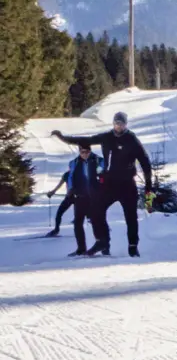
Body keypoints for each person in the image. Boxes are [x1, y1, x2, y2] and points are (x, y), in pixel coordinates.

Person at [52, 110, 153, 257]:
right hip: (110, 184)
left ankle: (132, 246)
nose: (118, 126)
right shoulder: (107, 137)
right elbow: (85, 140)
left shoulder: (131, 139)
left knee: (130, 216)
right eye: (116, 123)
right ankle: (102, 241)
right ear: (113, 124)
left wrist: (148, 186)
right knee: (95, 211)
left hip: (127, 185)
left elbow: (145, 162)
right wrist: (63, 138)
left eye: (121, 124)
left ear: (125, 125)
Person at [43, 144, 104, 255]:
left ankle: (102, 245)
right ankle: (81, 248)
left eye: (87, 152)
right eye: (82, 152)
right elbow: (69, 178)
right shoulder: (74, 163)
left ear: (90, 151)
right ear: (79, 152)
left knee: (95, 221)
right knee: (77, 222)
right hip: (78, 196)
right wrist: (70, 189)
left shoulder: (98, 160)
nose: (85, 154)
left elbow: (103, 171)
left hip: (94, 197)